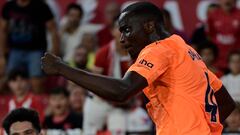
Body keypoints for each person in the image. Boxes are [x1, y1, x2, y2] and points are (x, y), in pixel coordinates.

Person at [41, 2, 235, 135]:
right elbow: (225, 103)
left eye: (127, 29)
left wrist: (61, 68)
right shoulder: (184, 49)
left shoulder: (157, 50)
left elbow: (122, 91)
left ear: (150, 26)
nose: (123, 39)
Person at [0, 0, 60, 93]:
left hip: (36, 51)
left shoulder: (41, 6)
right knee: (11, 82)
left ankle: (37, 105)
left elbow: (53, 30)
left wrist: (55, 53)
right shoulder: (9, 6)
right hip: (15, 50)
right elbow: (3, 30)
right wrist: (3, 55)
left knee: (37, 82)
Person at [207, 0, 240, 70]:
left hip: (236, 61)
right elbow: (210, 35)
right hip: (217, 61)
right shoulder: (213, 15)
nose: (227, 1)